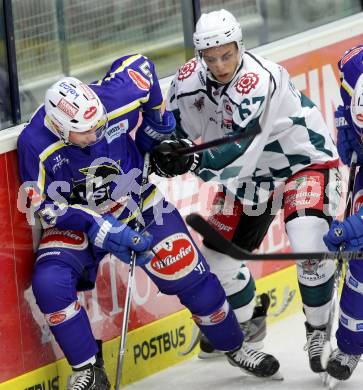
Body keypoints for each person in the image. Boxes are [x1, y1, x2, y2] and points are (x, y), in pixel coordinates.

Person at [17, 55, 281, 390]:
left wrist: (158, 120)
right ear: (58, 127)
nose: (96, 134)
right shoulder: (34, 143)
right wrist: (96, 226)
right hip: (77, 220)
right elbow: (43, 207)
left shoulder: (114, 97)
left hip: (135, 201)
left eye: (99, 125)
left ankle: (234, 345)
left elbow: (141, 66)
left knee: (188, 271)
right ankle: (88, 368)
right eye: (85, 132)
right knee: (49, 283)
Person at [151, 9, 342, 376]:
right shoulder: (188, 80)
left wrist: (187, 162)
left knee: (308, 242)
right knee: (219, 258)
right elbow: (172, 130)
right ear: (199, 57)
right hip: (252, 177)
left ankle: (318, 330)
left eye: (227, 54)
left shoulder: (259, 79)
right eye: (211, 58)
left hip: (303, 161)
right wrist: (164, 150)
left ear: (241, 45)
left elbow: (237, 147)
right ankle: (250, 320)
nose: (221, 65)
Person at [323, 45, 363, 385]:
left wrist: (354, 225)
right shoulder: (353, 68)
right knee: (360, 272)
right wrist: (346, 125)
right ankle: (349, 346)